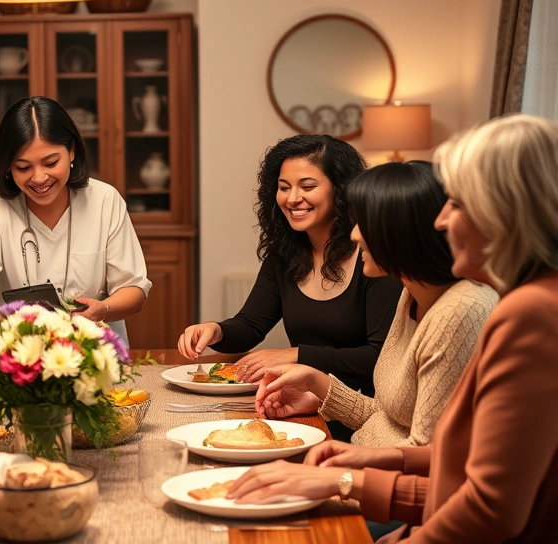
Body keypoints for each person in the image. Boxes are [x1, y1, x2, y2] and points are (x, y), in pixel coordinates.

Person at [226, 114, 558, 544]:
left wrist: (350, 481)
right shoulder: (431, 298)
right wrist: (337, 417)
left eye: (456, 204)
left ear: (501, 211)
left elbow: (488, 508)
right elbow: (438, 456)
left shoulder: (519, 312)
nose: (440, 222)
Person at [253, 161, 497, 448]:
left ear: (403, 229)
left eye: (365, 223)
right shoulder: (411, 296)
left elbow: (427, 453)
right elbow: (388, 419)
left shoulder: (459, 310)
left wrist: (342, 470)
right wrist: (316, 384)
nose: (354, 235)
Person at [177, 134, 402, 438]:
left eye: (308, 187)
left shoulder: (373, 256)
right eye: (284, 188)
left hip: (365, 419)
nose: (292, 198)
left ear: (342, 190)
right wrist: (216, 330)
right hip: (302, 408)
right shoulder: (285, 254)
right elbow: (251, 324)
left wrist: (296, 355)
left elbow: (377, 357)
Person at [0, 96, 151, 344]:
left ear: (72, 150)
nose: (39, 178)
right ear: (7, 167)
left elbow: (134, 289)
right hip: (21, 355)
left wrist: (103, 309)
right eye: (23, 168)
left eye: (50, 162)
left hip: (95, 353)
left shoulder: (104, 201)